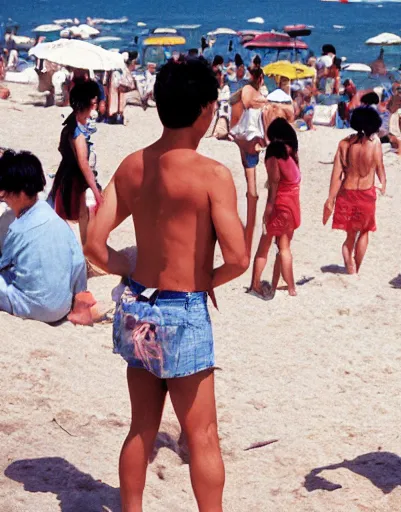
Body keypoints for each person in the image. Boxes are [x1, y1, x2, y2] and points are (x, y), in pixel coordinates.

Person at [84, 57, 249, 512]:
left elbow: (95, 244)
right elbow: (238, 258)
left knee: (141, 427)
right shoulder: (212, 174)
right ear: (204, 109)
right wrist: (208, 280)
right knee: (203, 436)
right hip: (183, 308)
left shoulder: (133, 165)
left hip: (138, 303)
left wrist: (128, 267)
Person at [0, 150, 89, 324]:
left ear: (21, 192)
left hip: (35, 307)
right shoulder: (54, 217)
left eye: (6, 194)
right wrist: (78, 295)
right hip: (62, 306)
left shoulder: (18, 229)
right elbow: (78, 262)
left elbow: (3, 264)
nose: (5, 198)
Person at [324, 108, 386, 274]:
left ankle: (349, 267)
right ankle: (356, 269)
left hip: (347, 193)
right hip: (366, 193)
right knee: (365, 231)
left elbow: (336, 175)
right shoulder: (376, 143)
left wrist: (330, 198)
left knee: (350, 237)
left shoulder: (344, 144)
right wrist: (384, 184)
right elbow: (380, 167)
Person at [249, 119, 302, 298]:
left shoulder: (273, 155)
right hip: (293, 205)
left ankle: (255, 285)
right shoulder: (292, 153)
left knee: (263, 247)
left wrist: (267, 211)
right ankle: (291, 287)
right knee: (284, 247)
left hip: (280, 204)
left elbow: (274, 185)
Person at [49, 79, 102, 246]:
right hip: (74, 180)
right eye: (93, 102)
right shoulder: (77, 133)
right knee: (83, 215)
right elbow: (83, 163)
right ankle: (86, 252)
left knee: (75, 216)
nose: (95, 105)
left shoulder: (71, 124)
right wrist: (96, 190)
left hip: (66, 176)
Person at [230, 68, 267, 249]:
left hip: (245, 137)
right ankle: (251, 227)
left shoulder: (246, 93)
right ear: (260, 78)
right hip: (256, 138)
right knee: (252, 180)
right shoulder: (261, 99)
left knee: (250, 183)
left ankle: (250, 229)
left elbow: (235, 109)